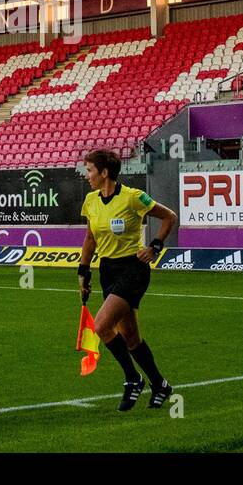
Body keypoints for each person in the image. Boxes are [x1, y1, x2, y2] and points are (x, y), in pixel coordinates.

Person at [76, 148, 177, 411]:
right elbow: (90, 239)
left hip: (133, 269)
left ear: (104, 172)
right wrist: (83, 272)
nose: (87, 175)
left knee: (101, 326)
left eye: (90, 170)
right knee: (131, 337)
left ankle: (132, 379)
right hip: (107, 271)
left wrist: (155, 246)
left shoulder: (133, 197)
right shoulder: (90, 200)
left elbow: (169, 217)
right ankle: (160, 384)